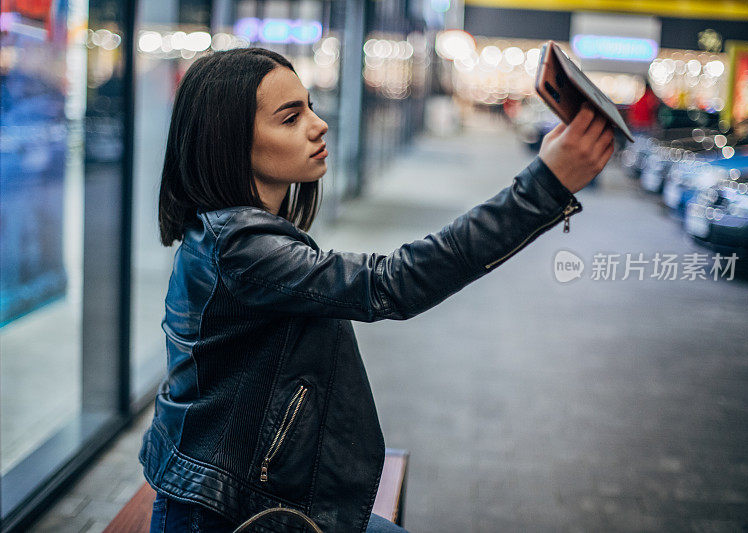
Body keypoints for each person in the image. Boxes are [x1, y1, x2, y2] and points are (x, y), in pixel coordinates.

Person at [140, 47, 614, 533]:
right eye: (290, 117)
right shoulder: (239, 249)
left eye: (309, 105)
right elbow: (393, 282)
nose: (318, 124)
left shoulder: (239, 236)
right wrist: (543, 187)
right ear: (230, 142)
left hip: (246, 495)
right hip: (222, 514)